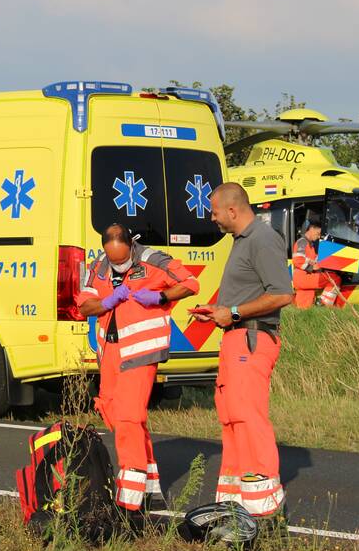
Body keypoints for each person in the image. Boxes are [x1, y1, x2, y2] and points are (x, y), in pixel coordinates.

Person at [78, 224, 199, 517]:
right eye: (113, 259)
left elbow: (191, 283)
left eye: (122, 259)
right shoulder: (99, 267)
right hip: (111, 352)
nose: (118, 264)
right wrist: (105, 303)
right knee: (114, 414)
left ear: (131, 245)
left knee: (129, 418)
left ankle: (130, 501)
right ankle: (151, 488)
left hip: (142, 351)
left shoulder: (153, 260)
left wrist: (160, 298)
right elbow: (84, 305)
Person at [191, 183, 293, 520]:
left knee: (248, 418)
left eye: (215, 211)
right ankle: (236, 509)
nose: (212, 218)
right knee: (232, 419)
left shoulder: (262, 240)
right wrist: (219, 310)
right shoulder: (243, 241)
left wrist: (232, 312)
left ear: (232, 210)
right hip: (236, 338)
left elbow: (282, 294)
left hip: (250, 339)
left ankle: (265, 510)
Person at [292, 220, 339, 308]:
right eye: (318, 233)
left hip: (302, 279)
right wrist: (313, 268)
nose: (318, 237)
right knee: (334, 278)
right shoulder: (302, 242)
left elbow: (311, 259)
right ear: (311, 229)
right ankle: (323, 304)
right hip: (304, 277)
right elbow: (298, 260)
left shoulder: (310, 245)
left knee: (304, 308)